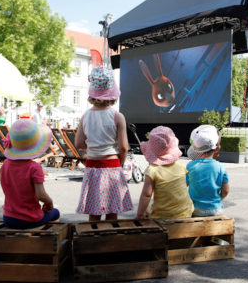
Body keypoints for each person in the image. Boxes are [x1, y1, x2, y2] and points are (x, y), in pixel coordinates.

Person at [75, 65, 133, 221]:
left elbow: (79, 143)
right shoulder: (117, 116)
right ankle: (109, 241)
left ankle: (92, 240)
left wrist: (93, 147)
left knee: (93, 211)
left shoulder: (85, 116)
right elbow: (123, 147)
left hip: (92, 166)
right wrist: (120, 162)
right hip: (112, 165)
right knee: (112, 211)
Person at [0, 119, 60, 229]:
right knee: (55, 213)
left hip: (8, 218)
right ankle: (45, 242)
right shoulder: (34, 168)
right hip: (30, 219)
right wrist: (49, 202)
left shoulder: (5, 165)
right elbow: (40, 195)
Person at [136, 126, 193, 219]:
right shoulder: (180, 165)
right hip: (185, 213)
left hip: (162, 217)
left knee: (148, 210)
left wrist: (139, 214)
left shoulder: (152, 170)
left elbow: (146, 195)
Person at [186, 124, 230, 217]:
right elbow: (225, 191)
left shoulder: (190, 166)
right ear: (217, 148)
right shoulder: (221, 167)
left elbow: (182, 186)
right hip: (216, 210)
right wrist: (218, 200)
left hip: (196, 209)